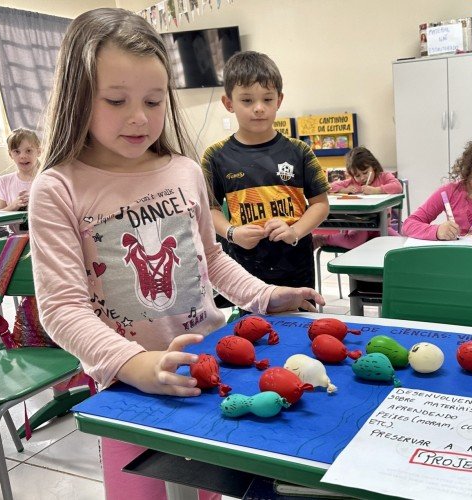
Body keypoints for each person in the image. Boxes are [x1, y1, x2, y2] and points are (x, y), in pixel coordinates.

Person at [28, 9, 324, 499]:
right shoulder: (57, 188)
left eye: (153, 100)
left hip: (206, 371)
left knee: (208, 490)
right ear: (78, 97)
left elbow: (209, 259)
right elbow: (62, 308)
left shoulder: (184, 169)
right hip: (127, 385)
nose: (139, 117)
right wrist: (134, 364)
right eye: (117, 100)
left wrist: (264, 296)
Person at [202, 50, 330, 293]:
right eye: (247, 100)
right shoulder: (215, 156)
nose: (259, 108)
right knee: (250, 328)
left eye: (267, 99)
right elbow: (209, 209)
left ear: (279, 101)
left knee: (300, 324)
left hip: (295, 265)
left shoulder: (300, 151)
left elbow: (321, 204)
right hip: (245, 271)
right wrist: (232, 232)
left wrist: (294, 231)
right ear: (228, 103)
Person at [313, 146, 403, 250]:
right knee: (354, 242)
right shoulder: (353, 183)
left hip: (382, 225)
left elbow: (398, 187)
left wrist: (377, 190)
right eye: (357, 175)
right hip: (359, 226)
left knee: (399, 245)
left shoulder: (383, 177)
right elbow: (329, 187)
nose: (362, 178)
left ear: (373, 166)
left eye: (365, 173)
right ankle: (322, 239)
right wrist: (344, 190)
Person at [0, 127, 41, 233]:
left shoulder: (47, 178)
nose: (23, 156)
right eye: (17, 152)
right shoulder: (4, 181)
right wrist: (13, 205)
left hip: (45, 237)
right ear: (10, 155)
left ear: (39, 151)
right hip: (17, 241)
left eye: (28, 151)